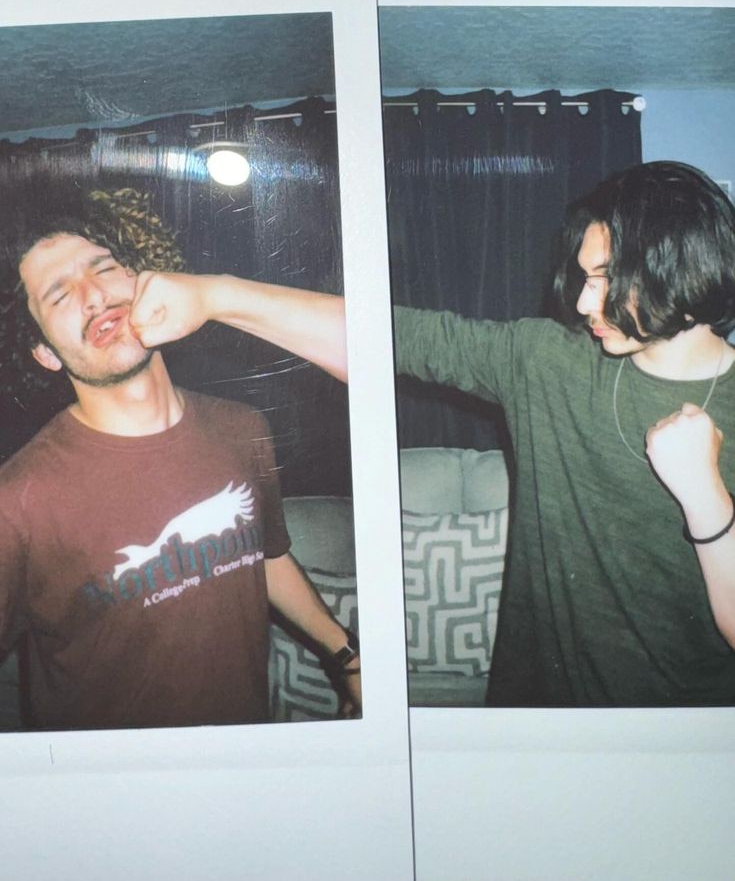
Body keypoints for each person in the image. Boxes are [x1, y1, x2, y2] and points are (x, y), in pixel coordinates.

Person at [0, 188, 356, 731]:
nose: (94, 295)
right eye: (59, 295)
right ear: (45, 352)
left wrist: (346, 657)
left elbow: (264, 554)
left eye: (104, 268)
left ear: (145, 283)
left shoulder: (243, 427)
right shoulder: (18, 502)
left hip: (243, 758)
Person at [392, 161, 735, 706]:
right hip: (539, 724)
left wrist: (707, 499)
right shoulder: (549, 360)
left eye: (605, 279)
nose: (582, 302)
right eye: (585, 278)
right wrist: (224, 297)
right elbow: (396, 337)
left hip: (688, 742)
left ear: (682, 270)